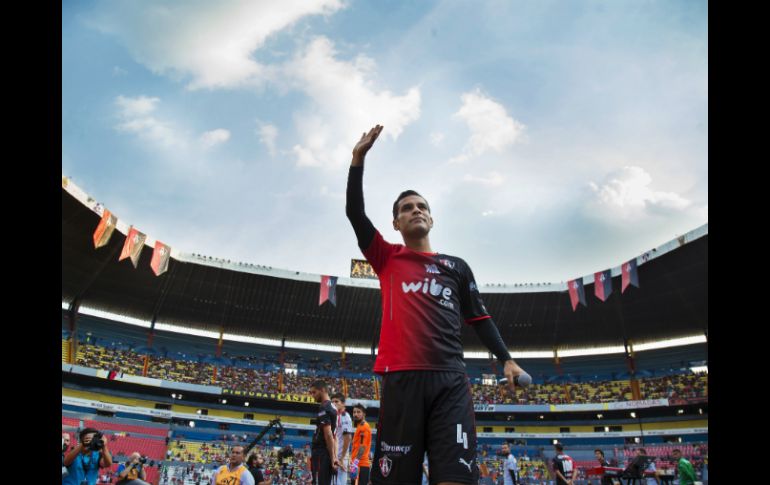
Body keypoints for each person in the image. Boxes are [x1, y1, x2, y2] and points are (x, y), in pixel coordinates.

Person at [345, 124, 529, 485]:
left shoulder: (456, 267)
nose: (415, 210)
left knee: (455, 478)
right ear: (396, 223)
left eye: (422, 206)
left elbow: (480, 318)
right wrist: (357, 160)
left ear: (431, 218)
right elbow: (355, 213)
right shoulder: (386, 257)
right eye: (407, 208)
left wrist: (506, 358)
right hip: (402, 379)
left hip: (450, 382)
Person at [309, 380, 341, 485]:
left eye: (314, 392)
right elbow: (335, 436)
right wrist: (334, 457)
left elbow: (328, 434)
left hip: (321, 453)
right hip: (326, 453)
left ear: (322, 390)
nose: (312, 395)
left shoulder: (324, 407)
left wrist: (332, 458)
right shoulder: (334, 408)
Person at [331, 393, 355, 485]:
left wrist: (341, 458)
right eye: (332, 402)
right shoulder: (336, 416)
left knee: (339, 482)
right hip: (335, 456)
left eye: (336, 401)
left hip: (341, 457)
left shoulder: (345, 416)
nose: (334, 404)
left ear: (343, 403)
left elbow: (348, 438)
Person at [350, 403, 372, 485]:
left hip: (360, 465)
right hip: (357, 465)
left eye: (358, 412)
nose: (355, 414)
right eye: (354, 412)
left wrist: (355, 463)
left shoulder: (364, 427)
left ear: (364, 414)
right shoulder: (360, 426)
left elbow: (363, 446)